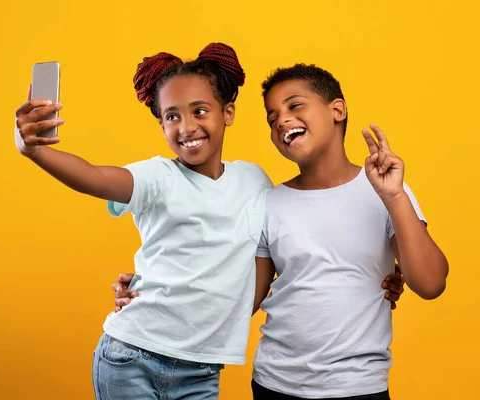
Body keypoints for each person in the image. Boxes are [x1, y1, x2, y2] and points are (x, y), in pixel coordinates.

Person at [113, 64, 448, 400]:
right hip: (275, 383)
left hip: (359, 386)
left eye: (294, 105)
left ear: (337, 110)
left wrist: (393, 197)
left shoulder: (387, 192)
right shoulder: (269, 202)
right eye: (272, 119)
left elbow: (431, 283)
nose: (282, 121)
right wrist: (155, 295)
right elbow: (239, 296)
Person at [15, 42, 271, 400]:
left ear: (227, 113)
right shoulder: (158, 177)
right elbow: (93, 176)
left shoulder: (254, 181)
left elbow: (267, 252)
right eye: (172, 116)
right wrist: (34, 149)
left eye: (200, 111)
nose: (186, 127)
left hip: (201, 370)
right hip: (132, 357)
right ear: (161, 123)